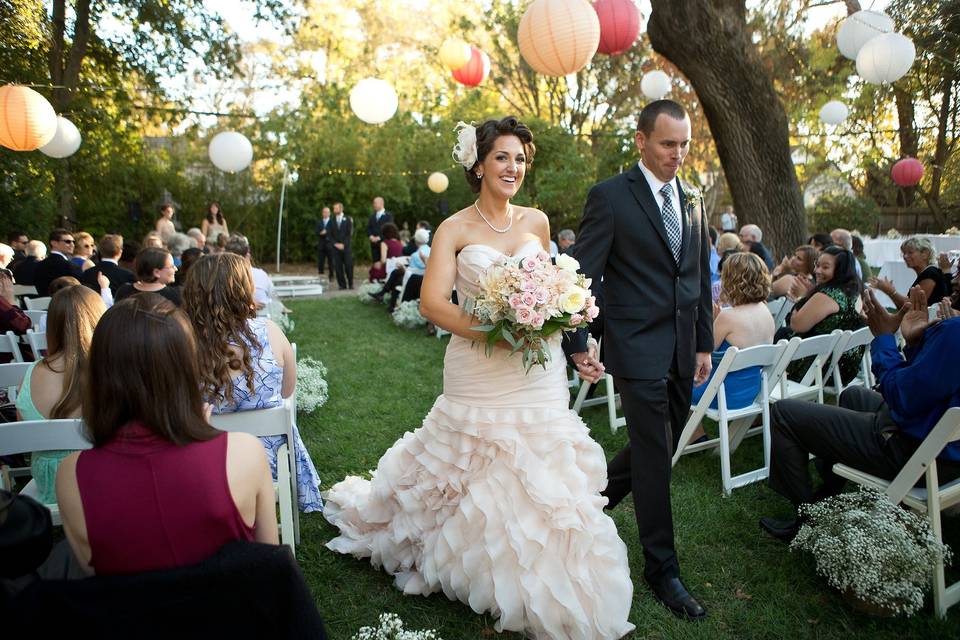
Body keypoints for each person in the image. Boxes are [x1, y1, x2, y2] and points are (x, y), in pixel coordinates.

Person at [324, 116, 634, 639]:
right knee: (470, 465)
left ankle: (541, 570)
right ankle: (460, 555)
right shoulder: (455, 229)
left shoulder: (536, 222)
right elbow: (432, 304)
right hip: (478, 369)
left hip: (536, 373)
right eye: (502, 158)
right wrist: (495, 332)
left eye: (519, 159)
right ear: (479, 164)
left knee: (540, 473)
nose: (513, 167)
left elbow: (559, 292)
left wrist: (575, 344)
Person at [564, 99, 712, 621]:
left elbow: (696, 279)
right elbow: (583, 277)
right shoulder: (609, 197)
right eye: (669, 144)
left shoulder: (693, 199)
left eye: (685, 144)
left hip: (679, 345)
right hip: (634, 347)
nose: (678, 154)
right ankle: (662, 568)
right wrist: (578, 341)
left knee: (661, 443)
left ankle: (589, 502)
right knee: (654, 455)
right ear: (642, 141)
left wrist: (702, 343)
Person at [55, 294, 278, 575]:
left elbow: (99, 583)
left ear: (101, 373)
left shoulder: (71, 476)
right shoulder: (244, 453)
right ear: (187, 368)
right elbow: (272, 567)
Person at [760, 286, 960, 542]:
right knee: (852, 395)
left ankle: (807, 519)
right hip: (942, 446)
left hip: (917, 454)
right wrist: (913, 342)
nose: (954, 277)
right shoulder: (953, 329)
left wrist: (884, 338)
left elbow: (901, 397)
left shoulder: (955, 331)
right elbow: (932, 381)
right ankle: (827, 495)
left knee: (784, 413)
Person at [182, 254, 323, 513]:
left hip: (205, 463)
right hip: (268, 464)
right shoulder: (269, 331)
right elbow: (287, 392)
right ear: (241, 290)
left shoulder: (179, 343)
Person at [15, 285, 105, 505]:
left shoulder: (30, 374)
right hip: (99, 481)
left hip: (49, 486)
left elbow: (25, 432)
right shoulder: (109, 369)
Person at [687, 253, 775, 442]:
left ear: (732, 280)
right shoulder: (765, 310)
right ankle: (695, 432)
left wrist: (711, 322)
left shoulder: (729, 318)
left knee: (674, 383)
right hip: (751, 391)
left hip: (722, 393)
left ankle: (694, 434)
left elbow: (699, 352)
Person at [780, 245, 864, 382]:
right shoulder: (855, 291)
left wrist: (801, 298)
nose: (817, 271)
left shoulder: (827, 295)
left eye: (825, 267)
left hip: (819, 368)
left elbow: (797, 325)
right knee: (784, 332)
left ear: (840, 271)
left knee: (783, 334)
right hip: (845, 365)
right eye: (817, 265)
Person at [870, 236, 949, 307]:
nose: (905, 256)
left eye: (910, 252)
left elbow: (913, 306)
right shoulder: (927, 273)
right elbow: (903, 309)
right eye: (904, 253)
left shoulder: (931, 273)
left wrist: (891, 291)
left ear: (925, 254)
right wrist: (890, 291)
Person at [115, 247, 181, 306]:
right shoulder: (176, 295)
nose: (176, 269)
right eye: (172, 266)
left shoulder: (124, 291)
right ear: (156, 272)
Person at [33, 229, 81, 297]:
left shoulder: (38, 265)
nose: (72, 244)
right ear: (54, 243)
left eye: (73, 242)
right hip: (66, 305)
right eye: (68, 241)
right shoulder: (70, 266)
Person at [329, 202, 353, 290]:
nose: (334, 210)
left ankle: (350, 283)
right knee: (338, 267)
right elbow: (329, 234)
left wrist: (343, 244)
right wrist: (335, 244)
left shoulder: (348, 219)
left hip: (346, 247)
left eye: (336, 208)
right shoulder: (331, 221)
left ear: (341, 209)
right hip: (335, 248)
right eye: (334, 208)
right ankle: (342, 285)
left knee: (348, 265)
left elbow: (349, 234)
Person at [366, 196, 393, 264]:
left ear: (381, 203)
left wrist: (379, 237)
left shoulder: (388, 216)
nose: (373, 205)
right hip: (374, 244)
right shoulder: (372, 216)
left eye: (375, 203)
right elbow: (368, 228)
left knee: (384, 264)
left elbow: (389, 229)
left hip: (384, 244)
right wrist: (371, 236)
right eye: (373, 203)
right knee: (375, 263)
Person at [315, 206, 334, 280]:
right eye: (324, 212)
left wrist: (326, 232)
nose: (326, 213)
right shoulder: (319, 222)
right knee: (320, 262)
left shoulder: (332, 222)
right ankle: (321, 276)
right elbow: (316, 232)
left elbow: (334, 232)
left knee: (331, 262)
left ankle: (331, 276)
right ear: (322, 213)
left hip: (330, 244)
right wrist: (321, 233)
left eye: (327, 212)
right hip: (321, 245)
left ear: (329, 213)